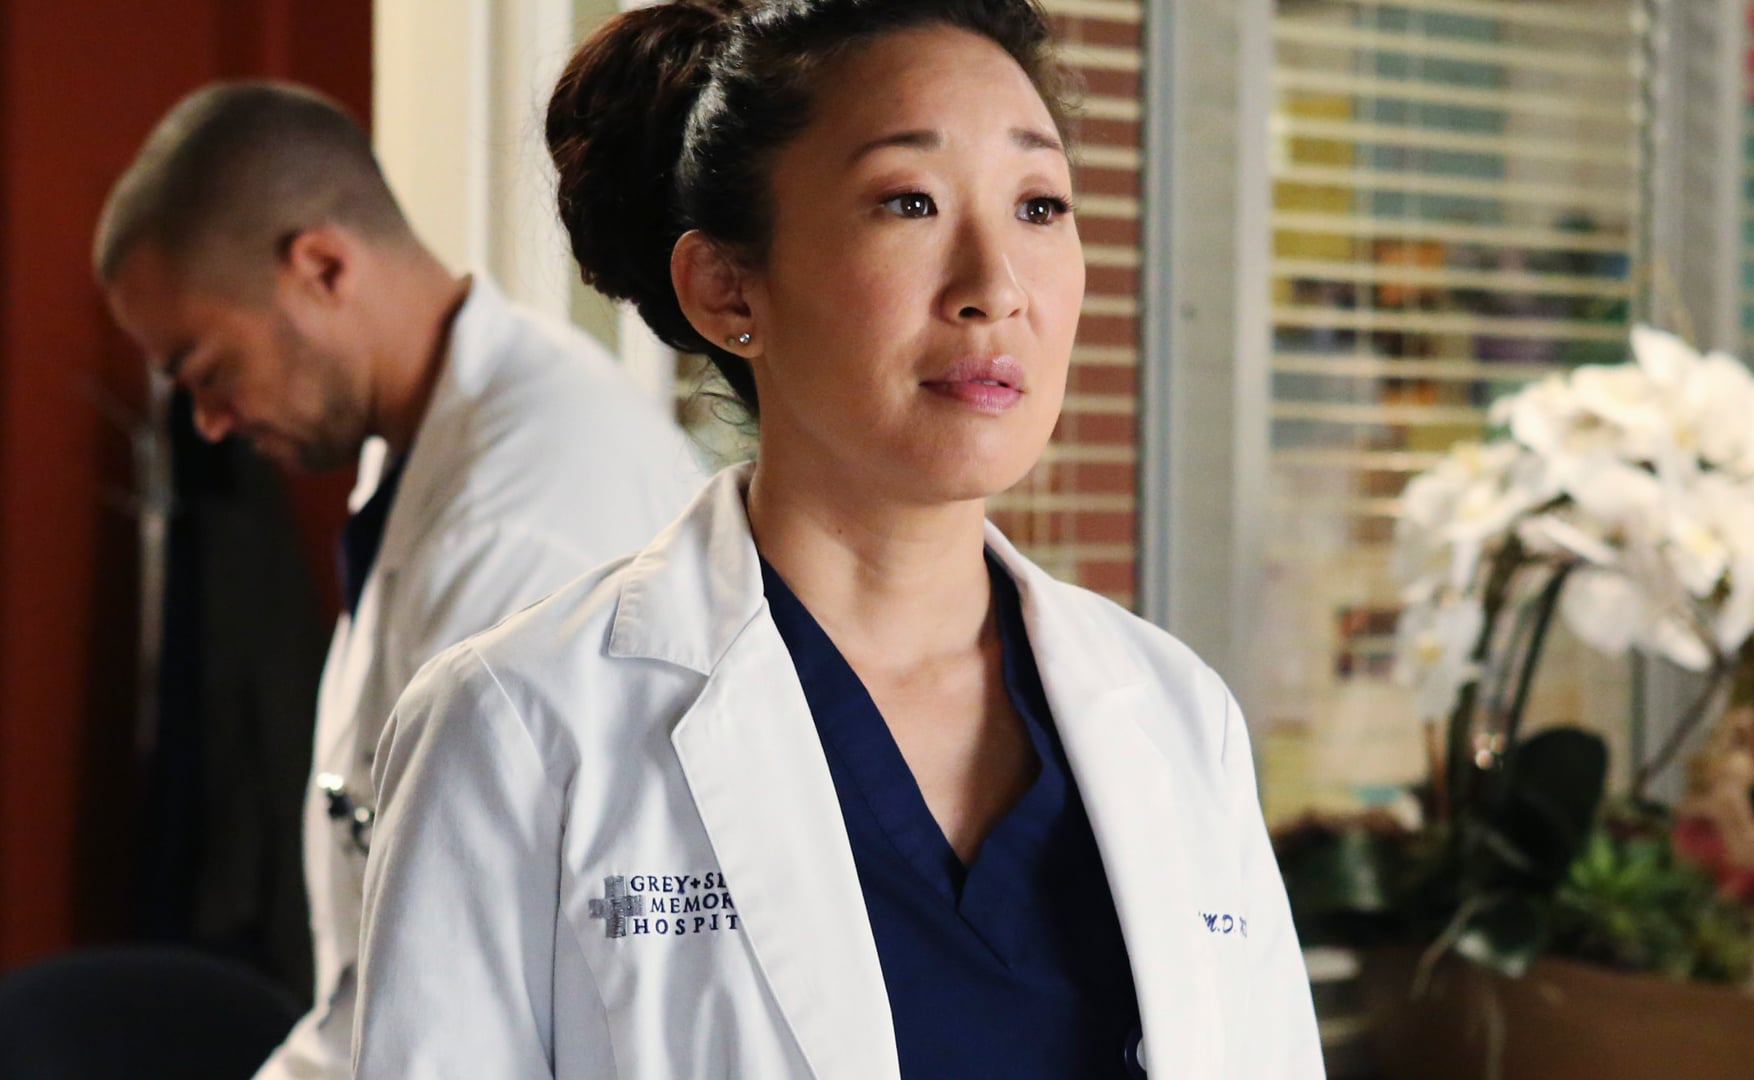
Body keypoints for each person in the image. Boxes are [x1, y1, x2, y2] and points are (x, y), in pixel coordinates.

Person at [352, 1, 1325, 1076]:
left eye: (1039, 206)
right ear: (727, 288)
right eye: (910, 202)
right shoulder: (521, 726)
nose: (996, 288)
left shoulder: (1177, 714)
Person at [93, 81, 708, 1080]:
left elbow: (464, 998)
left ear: (322, 267)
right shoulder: (430, 439)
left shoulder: (519, 519)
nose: (207, 421)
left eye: (206, 369)